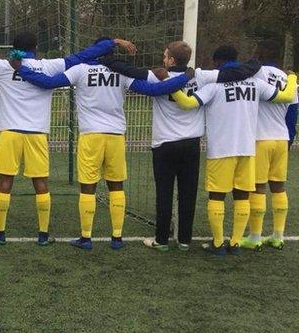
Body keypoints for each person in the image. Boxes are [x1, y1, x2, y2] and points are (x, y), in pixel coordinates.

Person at [0, 34, 132, 246]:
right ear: (36, 48)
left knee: (5, 183)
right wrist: (113, 43)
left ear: (13, 48)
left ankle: (0, 234)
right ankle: (43, 235)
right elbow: (84, 55)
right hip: (38, 133)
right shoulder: (49, 66)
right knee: (41, 184)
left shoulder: (3, 66)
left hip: (10, 132)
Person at [16, 39, 191, 250]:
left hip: (91, 135)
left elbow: (47, 83)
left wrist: (21, 70)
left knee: (88, 187)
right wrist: (185, 76)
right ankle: (117, 238)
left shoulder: (79, 69)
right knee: (116, 186)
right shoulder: (121, 72)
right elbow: (153, 90)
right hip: (116, 135)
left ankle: (86, 238)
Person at [100, 42, 258, 252]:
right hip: (191, 144)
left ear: (172, 60)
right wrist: (254, 66)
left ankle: (162, 240)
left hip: (164, 144)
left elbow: (127, 69)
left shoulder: (156, 76)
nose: (163, 59)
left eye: (165, 56)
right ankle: (184, 240)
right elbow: (231, 74)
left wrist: (105, 58)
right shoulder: (199, 76)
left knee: (164, 194)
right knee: (187, 194)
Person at [168, 45, 296, 254]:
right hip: (247, 149)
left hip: (221, 149)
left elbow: (187, 103)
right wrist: (291, 78)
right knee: (242, 196)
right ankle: (235, 243)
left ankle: (218, 243)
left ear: (218, 63)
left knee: (217, 197)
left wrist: (171, 85)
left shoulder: (213, 86)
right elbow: (287, 96)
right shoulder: (255, 83)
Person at [244, 40, 296, 250]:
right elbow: (293, 112)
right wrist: (290, 138)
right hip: (281, 138)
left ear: (260, 53)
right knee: (278, 186)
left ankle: (255, 237)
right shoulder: (286, 78)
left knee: (257, 187)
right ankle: (278, 235)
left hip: (261, 137)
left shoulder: (257, 73)